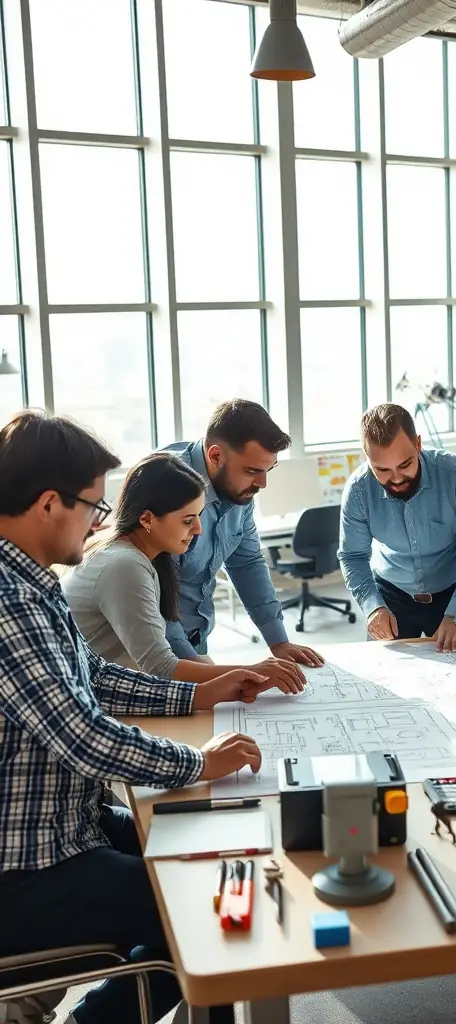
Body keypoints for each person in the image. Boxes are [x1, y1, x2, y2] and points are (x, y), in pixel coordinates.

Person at [0, 411, 268, 1024]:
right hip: (26, 865)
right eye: (93, 506)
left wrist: (202, 695)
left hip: (69, 826)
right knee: (213, 911)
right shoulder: (7, 599)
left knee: (206, 847)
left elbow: (94, 676)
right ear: (48, 504)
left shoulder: (31, 582)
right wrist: (199, 761)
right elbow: (83, 734)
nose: (99, 521)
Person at [62, 453, 305, 693]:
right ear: (147, 519)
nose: (198, 530)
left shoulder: (136, 555)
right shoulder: (125, 565)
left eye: (199, 517)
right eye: (188, 521)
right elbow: (160, 668)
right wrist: (254, 671)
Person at [162, 399, 323, 672]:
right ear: (215, 457)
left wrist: (278, 641)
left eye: (267, 470)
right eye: (252, 471)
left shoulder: (238, 491)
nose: (262, 484)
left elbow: (246, 562)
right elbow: (152, 599)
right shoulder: (166, 485)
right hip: (152, 645)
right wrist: (198, 666)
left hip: (195, 636)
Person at [338, 403, 456, 651]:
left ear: (418, 444)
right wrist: (373, 607)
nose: (397, 478)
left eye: (405, 465)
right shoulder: (358, 490)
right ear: (366, 457)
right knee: (389, 681)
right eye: (382, 470)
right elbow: (353, 557)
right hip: (391, 595)